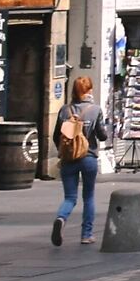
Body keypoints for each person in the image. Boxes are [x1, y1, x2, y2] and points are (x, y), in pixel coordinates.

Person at [49, 75, 107, 246]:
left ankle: (61, 218)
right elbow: (102, 135)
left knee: (70, 197)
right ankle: (86, 234)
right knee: (88, 197)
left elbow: (56, 136)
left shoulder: (64, 110)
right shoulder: (95, 110)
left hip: (69, 159)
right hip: (88, 157)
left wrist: (65, 151)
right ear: (89, 90)